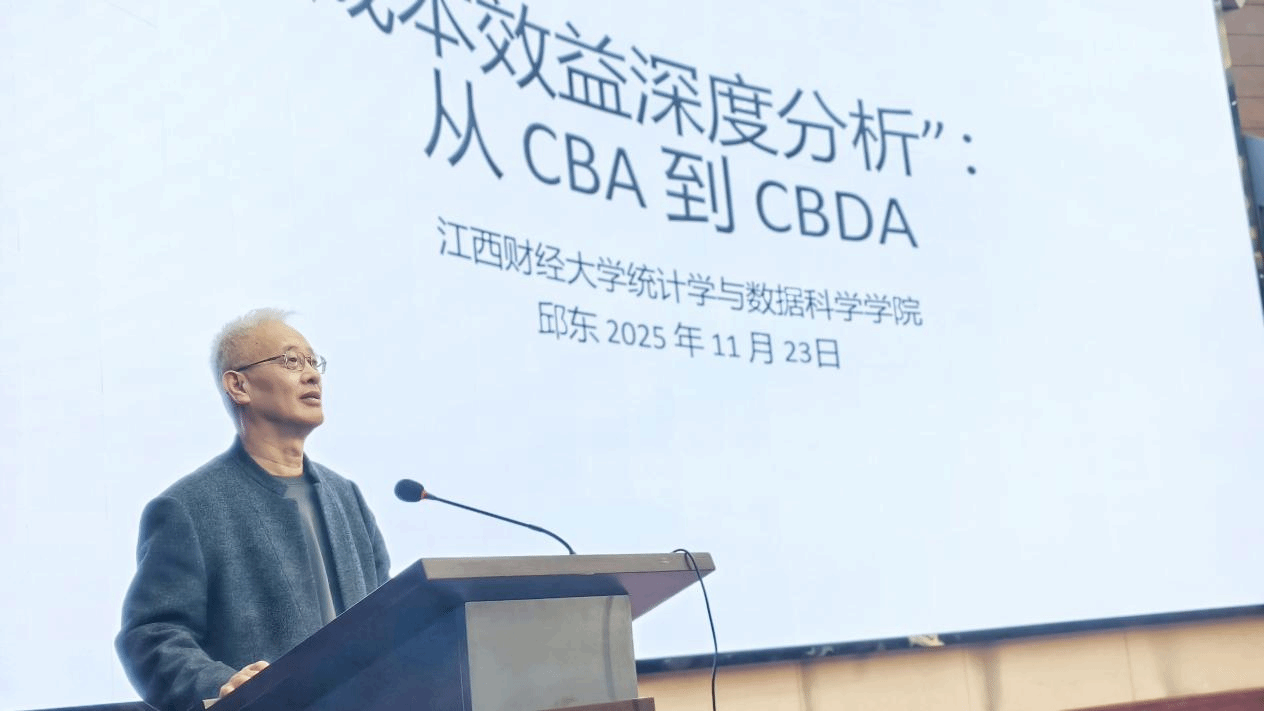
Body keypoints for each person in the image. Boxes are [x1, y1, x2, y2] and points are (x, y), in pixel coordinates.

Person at [116, 308, 391, 711]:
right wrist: (222, 683)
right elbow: (151, 634)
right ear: (238, 385)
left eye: (314, 362)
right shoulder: (188, 507)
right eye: (291, 361)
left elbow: (388, 616)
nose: (312, 375)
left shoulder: (345, 497)